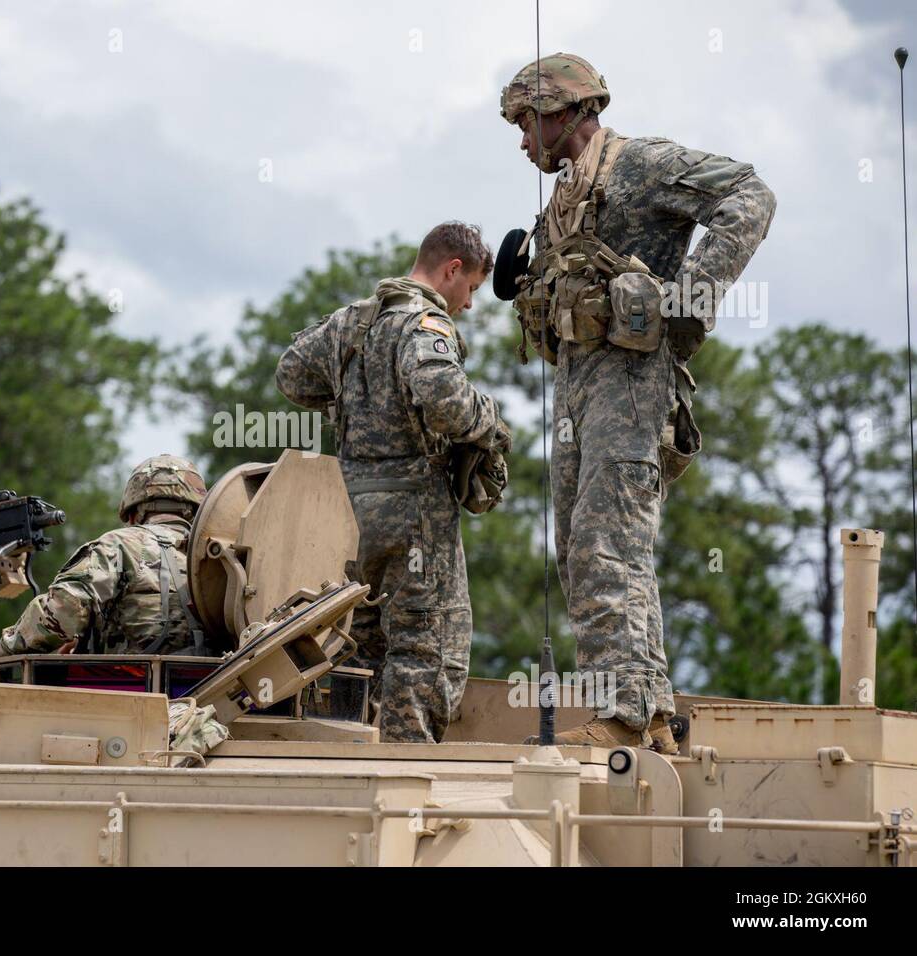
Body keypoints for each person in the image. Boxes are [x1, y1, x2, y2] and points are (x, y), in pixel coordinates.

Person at [498, 53, 776, 752]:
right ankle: (649, 713)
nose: (523, 140)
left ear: (565, 113)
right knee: (581, 549)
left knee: (605, 543)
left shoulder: (638, 164)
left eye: (528, 123)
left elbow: (750, 195)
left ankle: (620, 714)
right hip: (576, 386)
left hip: (629, 380)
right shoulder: (561, 200)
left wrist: (690, 300)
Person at [275, 222, 508, 742]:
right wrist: (490, 420)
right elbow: (445, 400)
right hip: (414, 509)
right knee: (426, 642)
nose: (468, 305)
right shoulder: (426, 324)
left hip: (350, 510)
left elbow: (291, 374)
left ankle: (346, 751)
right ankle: (407, 772)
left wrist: (348, 398)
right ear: (452, 270)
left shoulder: (350, 322)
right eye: (470, 289)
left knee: (355, 640)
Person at [0, 454, 207, 672]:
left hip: (134, 695)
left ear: (133, 512)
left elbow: (64, 609)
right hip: (216, 695)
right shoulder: (219, 554)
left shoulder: (120, 544)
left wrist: (5, 647)